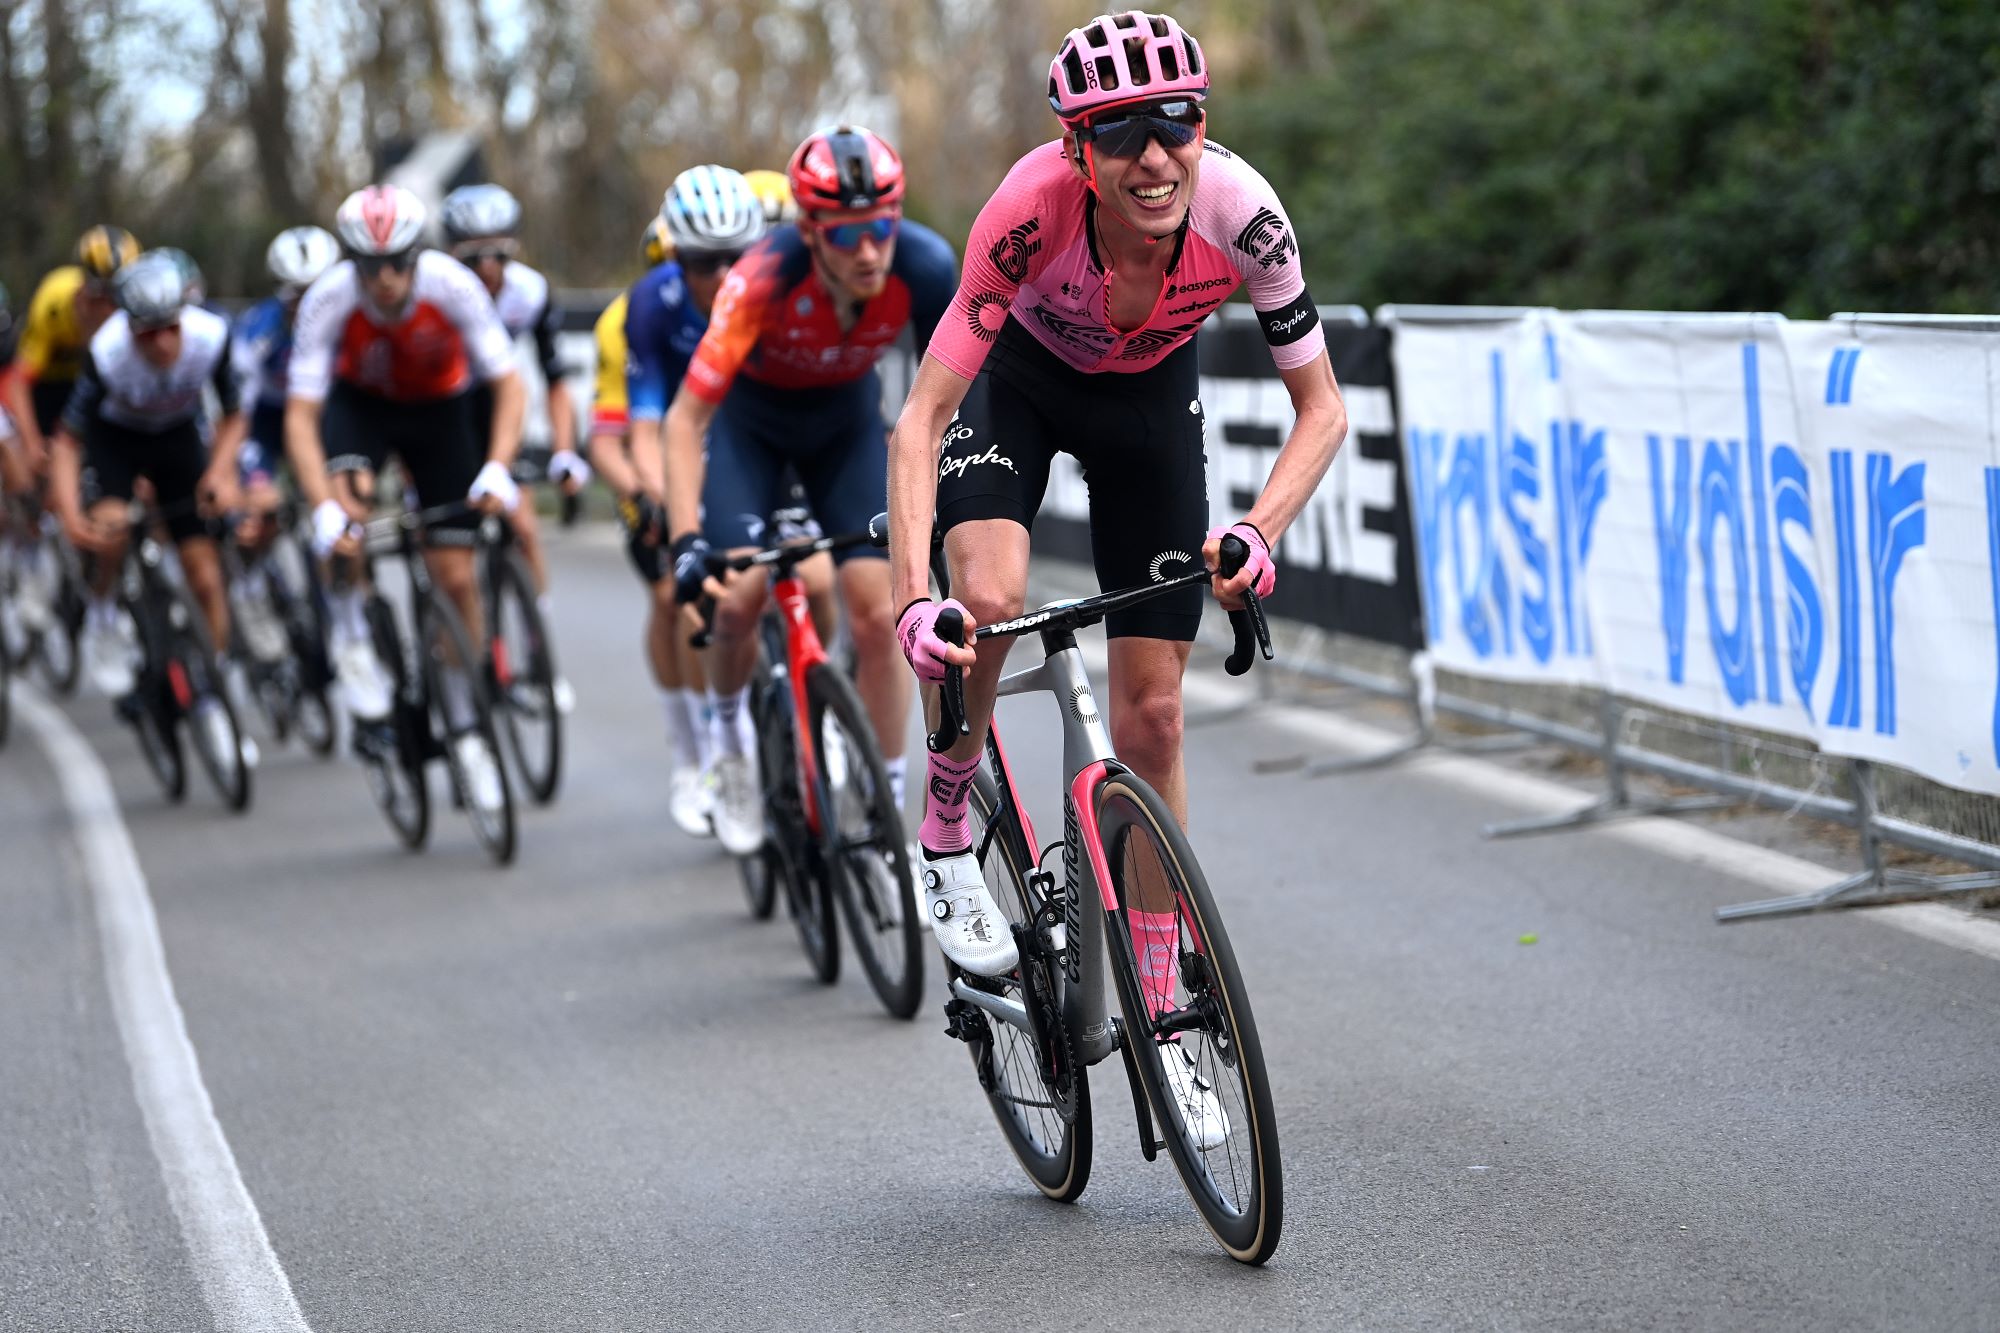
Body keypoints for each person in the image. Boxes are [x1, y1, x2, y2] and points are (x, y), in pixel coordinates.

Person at [883, 10, 1348, 989]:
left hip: (1146, 399)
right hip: (1021, 382)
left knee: (1156, 715)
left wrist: (1259, 531)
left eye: (1174, 120)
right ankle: (946, 809)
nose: (1152, 156)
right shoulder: (1023, 215)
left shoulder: (1246, 215)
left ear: (1202, 123)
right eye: (1117, 132)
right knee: (994, 597)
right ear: (1074, 148)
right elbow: (922, 419)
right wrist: (911, 604)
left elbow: (1322, 411)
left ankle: (1154, 987)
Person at [660, 128, 958, 856]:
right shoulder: (758, 279)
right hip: (752, 434)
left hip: (846, 431)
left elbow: (949, 398)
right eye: (847, 234)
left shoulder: (925, 266)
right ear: (808, 233)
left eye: (881, 227)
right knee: (738, 595)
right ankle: (727, 739)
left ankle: (890, 825)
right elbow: (684, 419)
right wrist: (683, 540)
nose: (868, 251)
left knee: (878, 610)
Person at [284, 183, 525, 813]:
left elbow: (507, 382)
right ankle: (352, 635)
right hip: (362, 410)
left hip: (440, 410)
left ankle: (468, 729)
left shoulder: (451, 285)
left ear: (419, 257)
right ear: (352, 263)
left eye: (398, 264)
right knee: (347, 511)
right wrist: (322, 507)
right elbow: (302, 416)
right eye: (371, 266)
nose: (386, 279)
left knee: (456, 577)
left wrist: (497, 468)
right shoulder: (329, 298)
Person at [589, 172, 762, 836]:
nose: (715, 279)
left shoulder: (754, 292)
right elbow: (619, 435)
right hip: (655, 463)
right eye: (694, 264)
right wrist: (656, 496)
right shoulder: (627, 320)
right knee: (674, 594)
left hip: (736, 453)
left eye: (730, 260)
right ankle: (692, 755)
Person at [47, 251, 247, 705]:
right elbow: (66, 442)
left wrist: (220, 472)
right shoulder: (107, 352)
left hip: (176, 436)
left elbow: (235, 418)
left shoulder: (210, 336)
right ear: (129, 327)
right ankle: (101, 614)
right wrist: (72, 515)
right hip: (116, 440)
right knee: (112, 529)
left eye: (170, 328)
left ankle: (215, 677)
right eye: (148, 333)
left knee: (205, 574)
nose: (161, 344)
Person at [441, 183, 586, 714]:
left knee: (522, 526)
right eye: (473, 257)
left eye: (499, 253)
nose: (488, 268)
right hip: (445, 418)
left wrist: (566, 451)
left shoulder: (530, 292)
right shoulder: (437, 293)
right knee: (451, 558)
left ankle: (536, 648)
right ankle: (461, 652)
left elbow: (554, 378)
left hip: (501, 413)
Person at [4, 226, 142, 473]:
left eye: (118, 299)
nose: (110, 310)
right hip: (48, 384)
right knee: (31, 466)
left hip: (98, 387)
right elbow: (20, 381)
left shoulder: (137, 313)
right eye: (101, 296)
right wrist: (32, 442)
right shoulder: (54, 299)